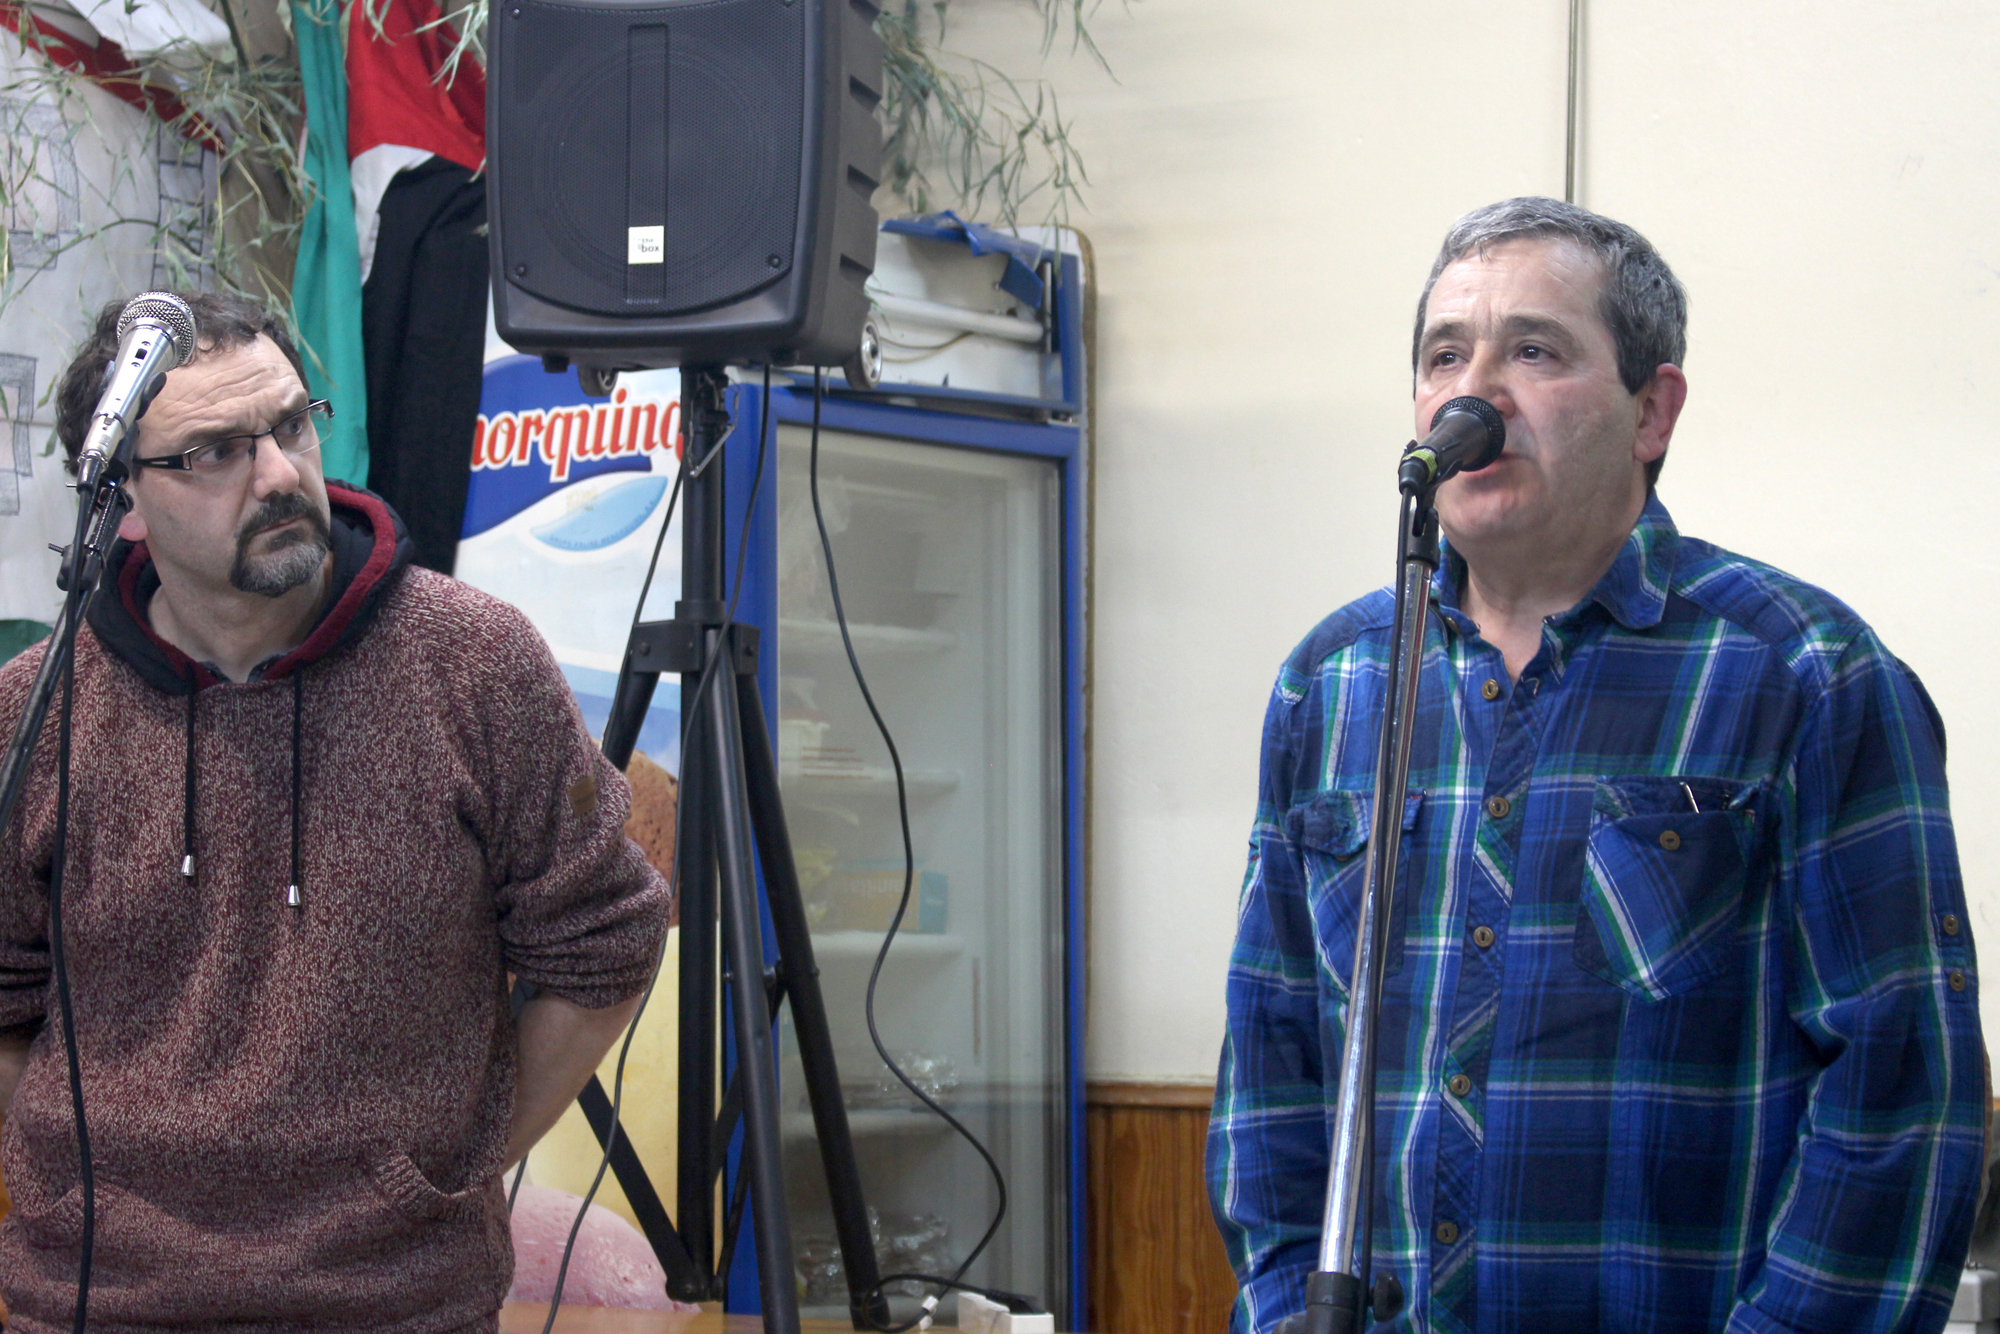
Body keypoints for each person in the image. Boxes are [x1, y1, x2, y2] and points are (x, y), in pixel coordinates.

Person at [1207, 198, 1985, 1333]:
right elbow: (1269, 1059)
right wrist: (1287, 1310)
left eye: (1533, 350)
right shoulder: (1331, 683)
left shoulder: (1804, 674)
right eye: (1444, 356)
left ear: (1649, 412)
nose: (1474, 397)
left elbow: (1898, 1088)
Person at [0, 292, 672, 1332]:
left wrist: (447, 1175)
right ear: (123, 496)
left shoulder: (473, 666)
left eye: (288, 425)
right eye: (215, 452)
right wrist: (81, 1194)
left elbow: (609, 942)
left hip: (394, 1302)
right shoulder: (38, 708)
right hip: (97, 1301)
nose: (277, 473)